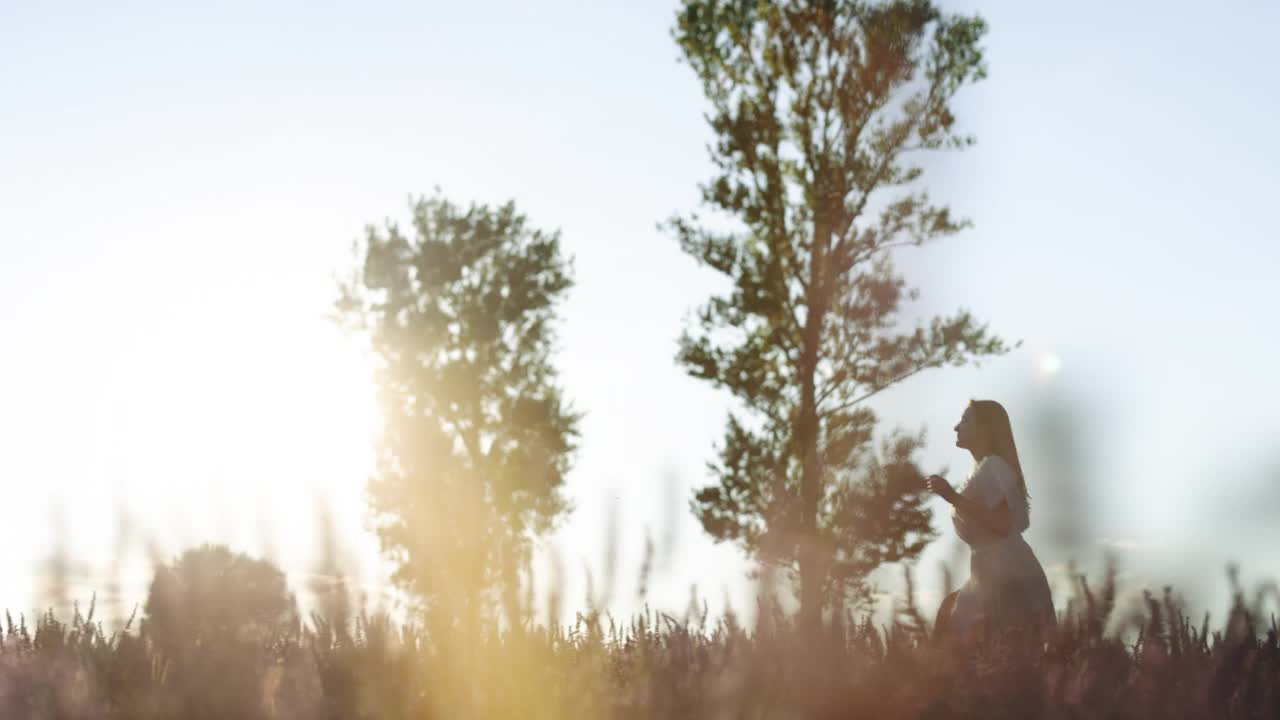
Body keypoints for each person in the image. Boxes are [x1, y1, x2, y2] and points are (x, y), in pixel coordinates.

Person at [926, 399, 1055, 643]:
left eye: (965, 420)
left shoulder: (994, 466)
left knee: (989, 649)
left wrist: (952, 496)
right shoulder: (983, 469)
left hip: (1007, 572)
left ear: (985, 429)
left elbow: (1003, 525)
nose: (956, 427)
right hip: (991, 570)